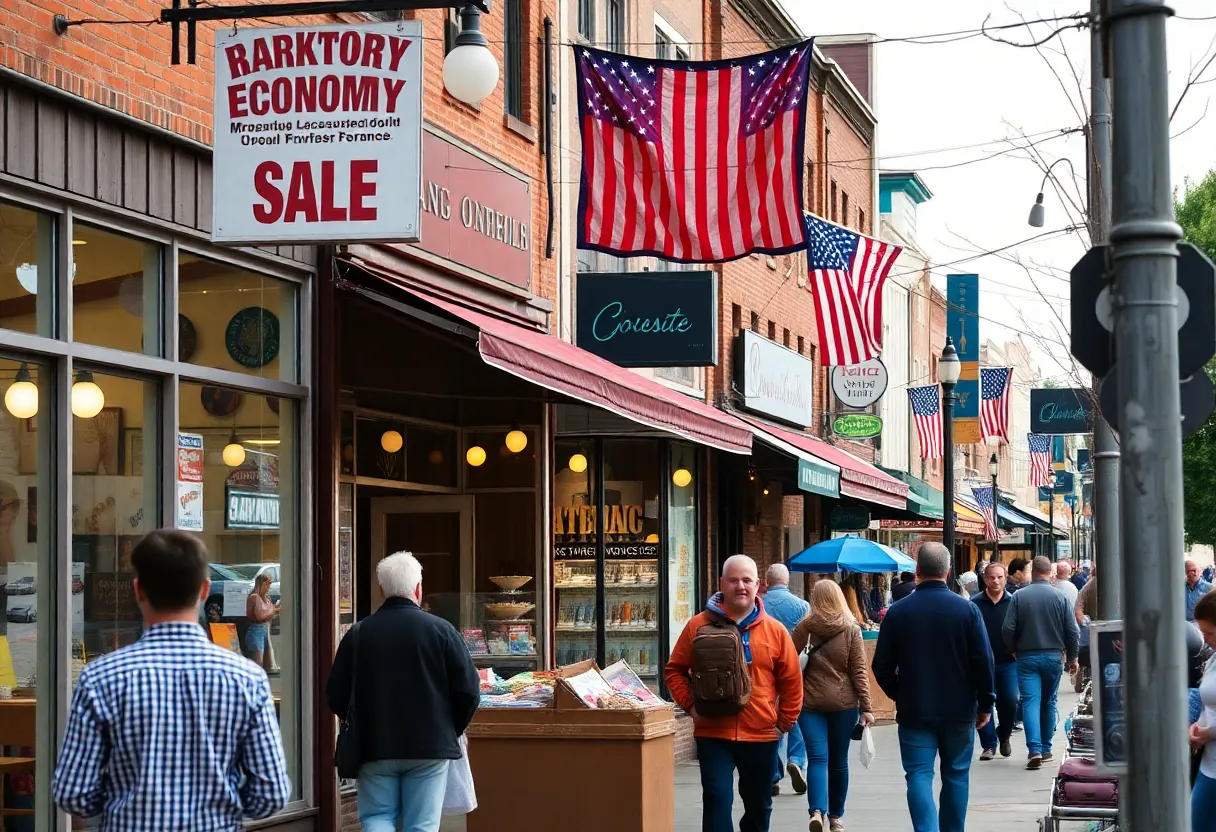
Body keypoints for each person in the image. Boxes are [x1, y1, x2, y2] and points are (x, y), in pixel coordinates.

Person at [51, 530, 291, 828]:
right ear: (204, 590)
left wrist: (121, 803)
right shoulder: (247, 679)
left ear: (138, 590)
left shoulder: (100, 678)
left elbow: (73, 793)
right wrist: (220, 806)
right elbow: (271, 793)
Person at [326, 551, 480, 832]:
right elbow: (469, 691)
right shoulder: (442, 631)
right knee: (422, 825)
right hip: (431, 745)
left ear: (380, 589)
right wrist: (450, 727)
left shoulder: (358, 634)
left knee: (376, 817)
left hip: (374, 745)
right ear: (418, 589)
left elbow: (335, 694)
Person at [665, 555, 803, 832]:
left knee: (758, 805)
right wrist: (692, 706)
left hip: (762, 734)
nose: (740, 586)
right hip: (713, 733)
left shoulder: (775, 631)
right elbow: (674, 670)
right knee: (716, 799)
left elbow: (792, 682)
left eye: (747, 580)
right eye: (734, 580)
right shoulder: (697, 626)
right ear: (722, 584)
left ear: (758, 585)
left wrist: (782, 724)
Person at [873, 542, 995, 832]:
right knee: (956, 774)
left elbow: (882, 665)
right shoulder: (967, 610)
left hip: (915, 707)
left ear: (917, 570)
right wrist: (986, 703)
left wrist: (899, 692)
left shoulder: (898, 612)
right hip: (959, 708)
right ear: (948, 571)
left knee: (918, 774)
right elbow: (983, 661)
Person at [790, 580, 872, 832]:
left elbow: (790, 664)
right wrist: (866, 707)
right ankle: (836, 818)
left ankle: (817, 811)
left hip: (809, 704)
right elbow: (858, 671)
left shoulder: (804, 627)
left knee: (817, 759)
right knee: (838, 762)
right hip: (843, 705)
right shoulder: (850, 629)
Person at [1002, 556, 1079, 769]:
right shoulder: (1060, 596)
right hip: (1053, 656)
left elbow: (1007, 629)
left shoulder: (1018, 596)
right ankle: (1046, 748)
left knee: (1029, 702)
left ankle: (1033, 748)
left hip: (1026, 656)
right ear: (1049, 573)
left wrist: (1013, 648)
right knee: (1049, 702)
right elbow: (1072, 631)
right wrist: (1072, 658)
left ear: (1032, 571)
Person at [762, 563, 811, 796]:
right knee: (796, 714)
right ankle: (796, 759)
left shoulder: (757, 605)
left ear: (766, 581)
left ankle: (772, 774)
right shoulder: (802, 606)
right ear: (787, 581)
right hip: (794, 670)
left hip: (764, 672)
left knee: (771, 718)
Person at [971, 562, 1017, 761]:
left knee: (1009, 700)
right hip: (981, 663)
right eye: (991, 577)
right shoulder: (974, 604)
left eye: (999, 577)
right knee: (982, 703)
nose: (995, 581)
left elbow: (1022, 627)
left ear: (1005, 578)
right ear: (984, 579)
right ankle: (988, 745)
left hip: (1008, 661)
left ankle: (1004, 733)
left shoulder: (1014, 602)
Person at [1190, 591, 1216, 831]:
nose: (1205, 639)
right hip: (1209, 764)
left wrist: (1210, 732)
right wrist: (1197, 727)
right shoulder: (1213, 657)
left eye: (1209, 632)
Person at [245, 573, 280, 673]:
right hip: (256, 630)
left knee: (267, 664)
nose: (268, 587)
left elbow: (269, 613)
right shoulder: (254, 597)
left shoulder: (266, 599)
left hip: (265, 630)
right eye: (266, 584)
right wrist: (273, 611)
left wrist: (275, 609)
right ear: (261, 584)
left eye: (269, 585)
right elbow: (259, 616)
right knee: (258, 663)